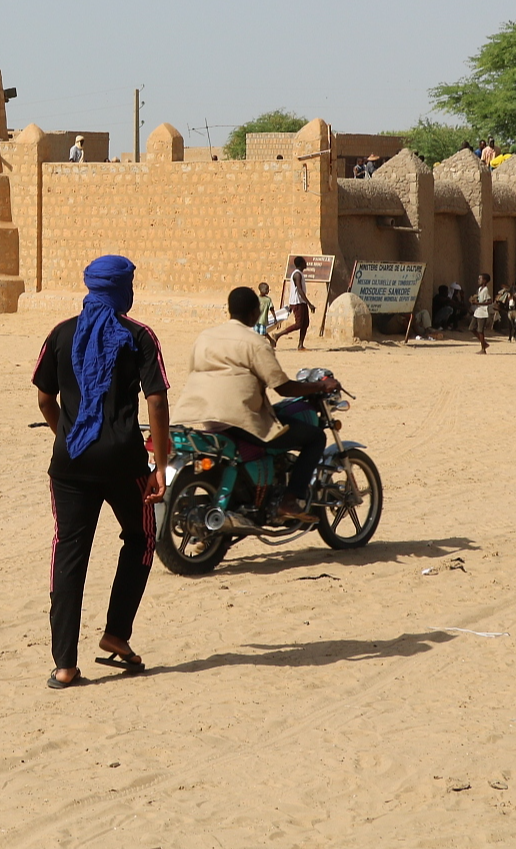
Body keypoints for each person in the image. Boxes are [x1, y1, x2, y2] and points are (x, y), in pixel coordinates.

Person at [31, 256, 168, 690]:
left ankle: (64, 666)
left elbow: (44, 399)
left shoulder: (60, 333)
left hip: (69, 464)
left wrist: (69, 435)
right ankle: (115, 632)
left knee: (69, 554)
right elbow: (158, 401)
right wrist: (160, 465)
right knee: (142, 537)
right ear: (123, 289)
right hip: (124, 462)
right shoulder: (139, 337)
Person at [172, 286, 342, 519]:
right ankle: (289, 500)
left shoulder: (205, 337)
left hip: (207, 418)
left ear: (230, 310)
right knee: (316, 437)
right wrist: (320, 386)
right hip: (240, 421)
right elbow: (283, 387)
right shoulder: (255, 342)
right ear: (254, 313)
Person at [267, 256, 312, 351]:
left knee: (305, 323)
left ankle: (300, 345)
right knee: (299, 324)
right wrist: (309, 303)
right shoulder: (297, 275)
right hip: (298, 302)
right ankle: (278, 335)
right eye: (304, 262)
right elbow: (299, 290)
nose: (306, 264)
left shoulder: (299, 274)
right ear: (300, 264)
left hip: (301, 302)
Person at [470, 273, 493, 354]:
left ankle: (483, 349)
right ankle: (484, 343)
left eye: (480, 279)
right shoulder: (480, 289)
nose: (478, 280)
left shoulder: (486, 290)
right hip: (477, 311)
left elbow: (490, 301)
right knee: (471, 328)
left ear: (485, 281)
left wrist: (479, 304)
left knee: (480, 331)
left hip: (483, 312)